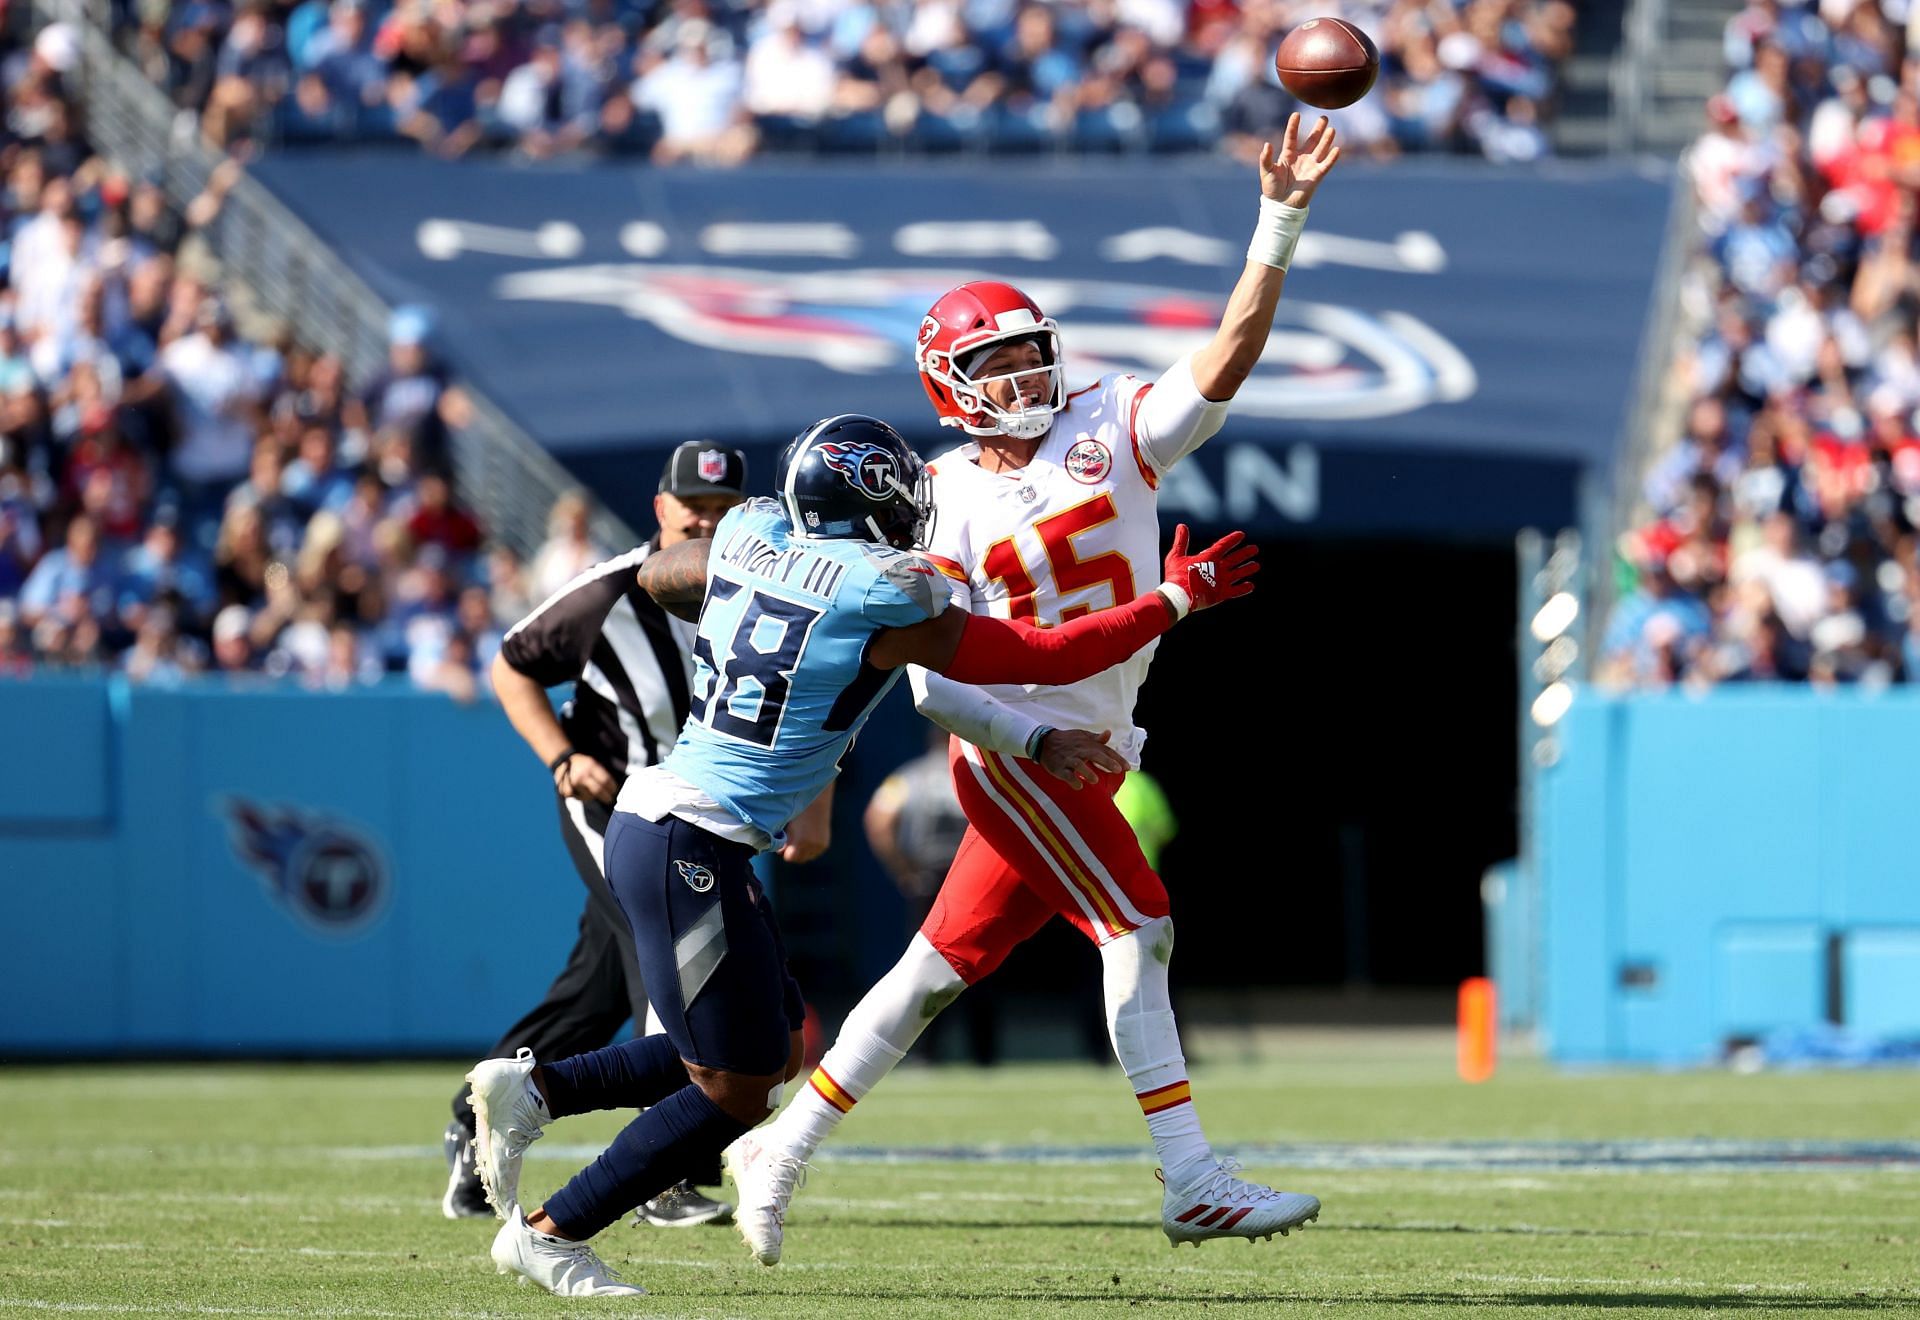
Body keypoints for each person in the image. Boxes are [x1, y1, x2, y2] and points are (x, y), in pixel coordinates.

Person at [462, 413, 1258, 1296]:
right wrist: (1178, 597)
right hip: (693, 836)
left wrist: (730, 582)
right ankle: (554, 1232)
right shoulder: (882, 591)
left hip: (671, 824)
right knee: (739, 1087)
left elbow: (657, 573)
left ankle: (535, 1093)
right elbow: (1047, 651)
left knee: (762, 1047)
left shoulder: (749, 533)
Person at [729, 112, 1341, 1259]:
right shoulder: (937, 498)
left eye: (1029, 351)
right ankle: (1191, 1177)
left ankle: (781, 1141)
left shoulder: (1112, 421)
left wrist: (1280, 217)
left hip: (1092, 737)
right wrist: (1035, 744)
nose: (1023, 374)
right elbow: (928, 681)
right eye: (995, 361)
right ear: (948, 383)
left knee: (934, 971)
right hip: (1018, 751)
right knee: (1139, 929)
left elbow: (1231, 350)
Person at [442, 442, 829, 1229]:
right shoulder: (614, 592)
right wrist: (561, 756)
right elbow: (511, 664)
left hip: (705, 820)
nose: (707, 520)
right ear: (661, 507)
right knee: (684, 977)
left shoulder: (766, 586)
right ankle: (667, 1173)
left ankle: (472, 1116)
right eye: (694, 506)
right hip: (621, 805)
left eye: (724, 509)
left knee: (592, 996)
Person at [863, 730, 994, 1064]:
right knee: (983, 965)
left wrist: (903, 870)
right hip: (974, 876)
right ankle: (985, 1054)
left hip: (929, 880)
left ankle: (927, 1052)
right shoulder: (983, 771)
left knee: (929, 964)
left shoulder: (910, 775)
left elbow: (878, 819)